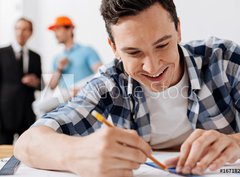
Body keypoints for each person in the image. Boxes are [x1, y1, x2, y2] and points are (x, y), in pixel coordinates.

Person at [14, 0, 240, 176]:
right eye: (133, 52)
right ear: (114, 47)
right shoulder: (110, 82)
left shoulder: (223, 59)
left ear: (178, 29)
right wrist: (75, 153)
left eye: (162, 44)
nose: (153, 67)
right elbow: (27, 143)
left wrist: (235, 142)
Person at [0, 17, 43, 144]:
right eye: (18, 28)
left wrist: (36, 82)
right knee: (3, 154)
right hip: (5, 113)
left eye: (24, 29)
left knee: (27, 150)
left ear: (30, 32)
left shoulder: (36, 56)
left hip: (27, 114)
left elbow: (41, 85)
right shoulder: (1, 53)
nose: (20, 32)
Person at [48, 16, 102, 90]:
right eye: (54, 31)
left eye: (58, 29)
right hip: (66, 101)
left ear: (70, 29)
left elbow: (101, 74)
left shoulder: (87, 51)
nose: (55, 34)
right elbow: (51, 86)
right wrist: (59, 69)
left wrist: (81, 88)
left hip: (87, 99)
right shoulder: (56, 58)